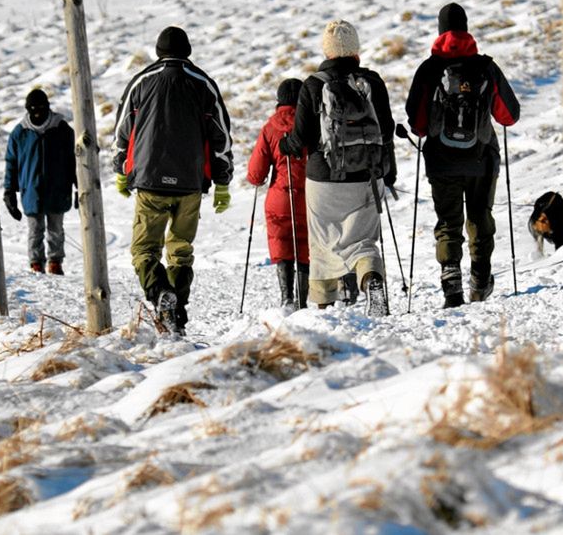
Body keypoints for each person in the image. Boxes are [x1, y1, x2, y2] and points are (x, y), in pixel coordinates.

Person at [112, 26, 234, 334]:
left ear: (157, 51)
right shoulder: (203, 84)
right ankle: (175, 315)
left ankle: (159, 293)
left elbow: (123, 130)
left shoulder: (141, 82)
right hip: (190, 183)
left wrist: (120, 169)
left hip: (150, 181)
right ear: (188, 51)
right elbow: (221, 137)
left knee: (144, 249)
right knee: (180, 250)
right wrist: (222, 182)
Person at [405, 3, 520, 307]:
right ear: (467, 29)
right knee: (480, 216)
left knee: (448, 221)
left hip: (441, 162)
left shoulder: (430, 68)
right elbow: (510, 115)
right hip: (482, 159)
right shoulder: (485, 66)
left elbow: (416, 122)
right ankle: (480, 281)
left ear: (440, 30)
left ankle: (452, 287)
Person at [281, 20, 396, 316]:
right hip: (367, 176)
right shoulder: (373, 82)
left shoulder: (313, 85)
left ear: (327, 51)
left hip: (324, 178)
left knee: (322, 245)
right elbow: (386, 129)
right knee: (364, 240)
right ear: (355, 50)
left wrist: (286, 146)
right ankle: (371, 279)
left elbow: (302, 138)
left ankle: (324, 307)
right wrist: (388, 171)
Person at [247, 78, 310, 309]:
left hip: (279, 199)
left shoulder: (269, 128)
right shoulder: (312, 125)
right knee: (305, 248)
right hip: (310, 196)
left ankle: (287, 299)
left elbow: (256, 174)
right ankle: (303, 302)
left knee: (282, 246)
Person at [3, 87, 77, 275]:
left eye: (41, 109)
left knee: (56, 229)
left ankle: (55, 262)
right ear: (28, 110)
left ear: (48, 107)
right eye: (33, 109)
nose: (37, 113)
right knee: (35, 230)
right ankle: (36, 263)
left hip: (58, 188)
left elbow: (73, 159)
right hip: (31, 190)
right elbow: (11, 163)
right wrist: (9, 192)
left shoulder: (62, 129)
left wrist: (79, 186)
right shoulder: (19, 133)